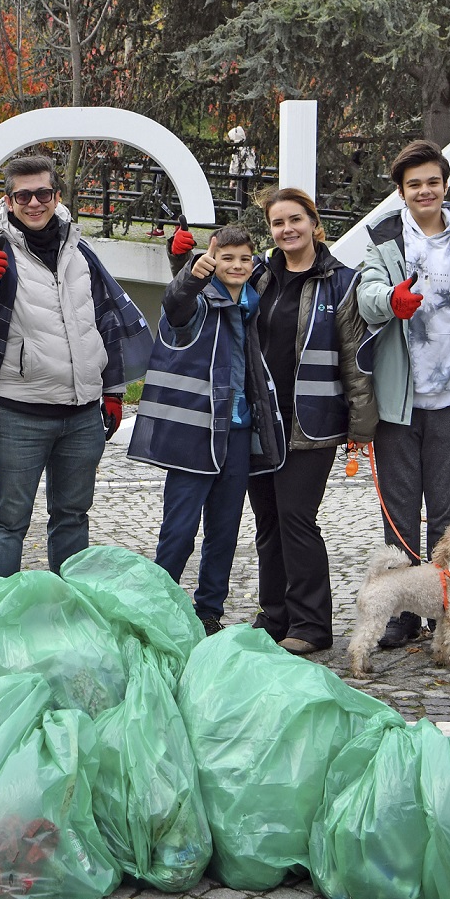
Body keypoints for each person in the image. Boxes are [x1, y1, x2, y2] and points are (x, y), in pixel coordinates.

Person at [0, 153, 150, 576]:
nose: (34, 202)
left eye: (42, 192)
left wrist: (112, 392)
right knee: (8, 521)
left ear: (56, 195)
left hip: (82, 414)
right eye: (23, 195)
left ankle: (69, 612)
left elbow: (104, 321)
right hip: (21, 412)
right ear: (8, 202)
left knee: (73, 517)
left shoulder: (80, 251)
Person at [355, 140, 450, 651]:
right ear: (401, 193)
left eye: (432, 182)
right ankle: (401, 610)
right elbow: (367, 293)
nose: (425, 191)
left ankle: (444, 605)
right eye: (413, 184)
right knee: (399, 507)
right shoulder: (385, 240)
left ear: (445, 185)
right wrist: (389, 302)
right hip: (401, 396)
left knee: (448, 510)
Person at [130, 226, 285, 631]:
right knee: (179, 530)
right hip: (194, 435)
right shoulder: (200, 301)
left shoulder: (254, 302)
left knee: (225, 529)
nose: (236, 265)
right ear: (214, 261)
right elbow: (174, 305)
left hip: (236, 433)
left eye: (244, 258)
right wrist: (190, 273)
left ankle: (209, 612)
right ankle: (157, 606)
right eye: (227, 257)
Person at [244, 188, 375, 655]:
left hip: (310, 423)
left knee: (297, 520)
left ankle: (312, 624)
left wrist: (361, 429)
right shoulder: (259, 275)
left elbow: (355, 359)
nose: (287, 230)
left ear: (313, 222)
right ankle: (273, 615)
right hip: (259, 421)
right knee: (267, 523)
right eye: (278, 223)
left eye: (295, 220)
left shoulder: (341, 281)